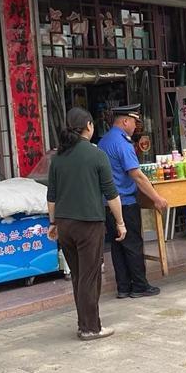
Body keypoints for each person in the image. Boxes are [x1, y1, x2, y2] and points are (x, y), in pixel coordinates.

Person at [47, 107, 127, 341]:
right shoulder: (96, 154)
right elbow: (112, 194)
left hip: (64, 224)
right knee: (90, 277)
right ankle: (91, 327)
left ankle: (84, 324)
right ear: (89, 126)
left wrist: (53, 222)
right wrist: (120, 222)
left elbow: (51, 196)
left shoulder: (58, 158)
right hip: (88, 224)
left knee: (78, 276)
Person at [98, 104, 168, 299]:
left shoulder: (103, 141)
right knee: (132, 244)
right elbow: (136, 175)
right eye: (135, 122)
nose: (136, 126)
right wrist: (156, 198)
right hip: (125, 203)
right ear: (125, 121)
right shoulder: (122, 143)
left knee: (118, 246)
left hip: (108, 203)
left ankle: (123, 287)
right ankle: (139, 286)